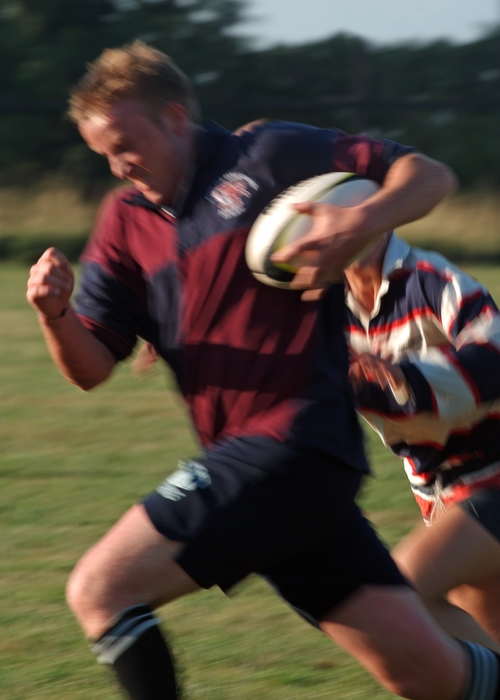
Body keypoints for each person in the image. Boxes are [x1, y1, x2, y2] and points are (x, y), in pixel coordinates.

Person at [26, 41, 499, 700]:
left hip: (289, 448)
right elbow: (91, 368)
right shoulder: (124, 225)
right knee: (432, 676)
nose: (118, 166)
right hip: (288, 484)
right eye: (103, 153)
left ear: (174, 117)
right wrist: (56, 315)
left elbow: (429, 176)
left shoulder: (270, 154)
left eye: (126, 144)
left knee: (102, 589)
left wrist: (358, 221)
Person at [345, 230, 500, 651]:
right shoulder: (320, 306)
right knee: (485, 647)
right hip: (439, 495)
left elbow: (496, 353)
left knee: (401, 598)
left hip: (491, 474)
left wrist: (411, 377)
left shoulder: (430, 280)